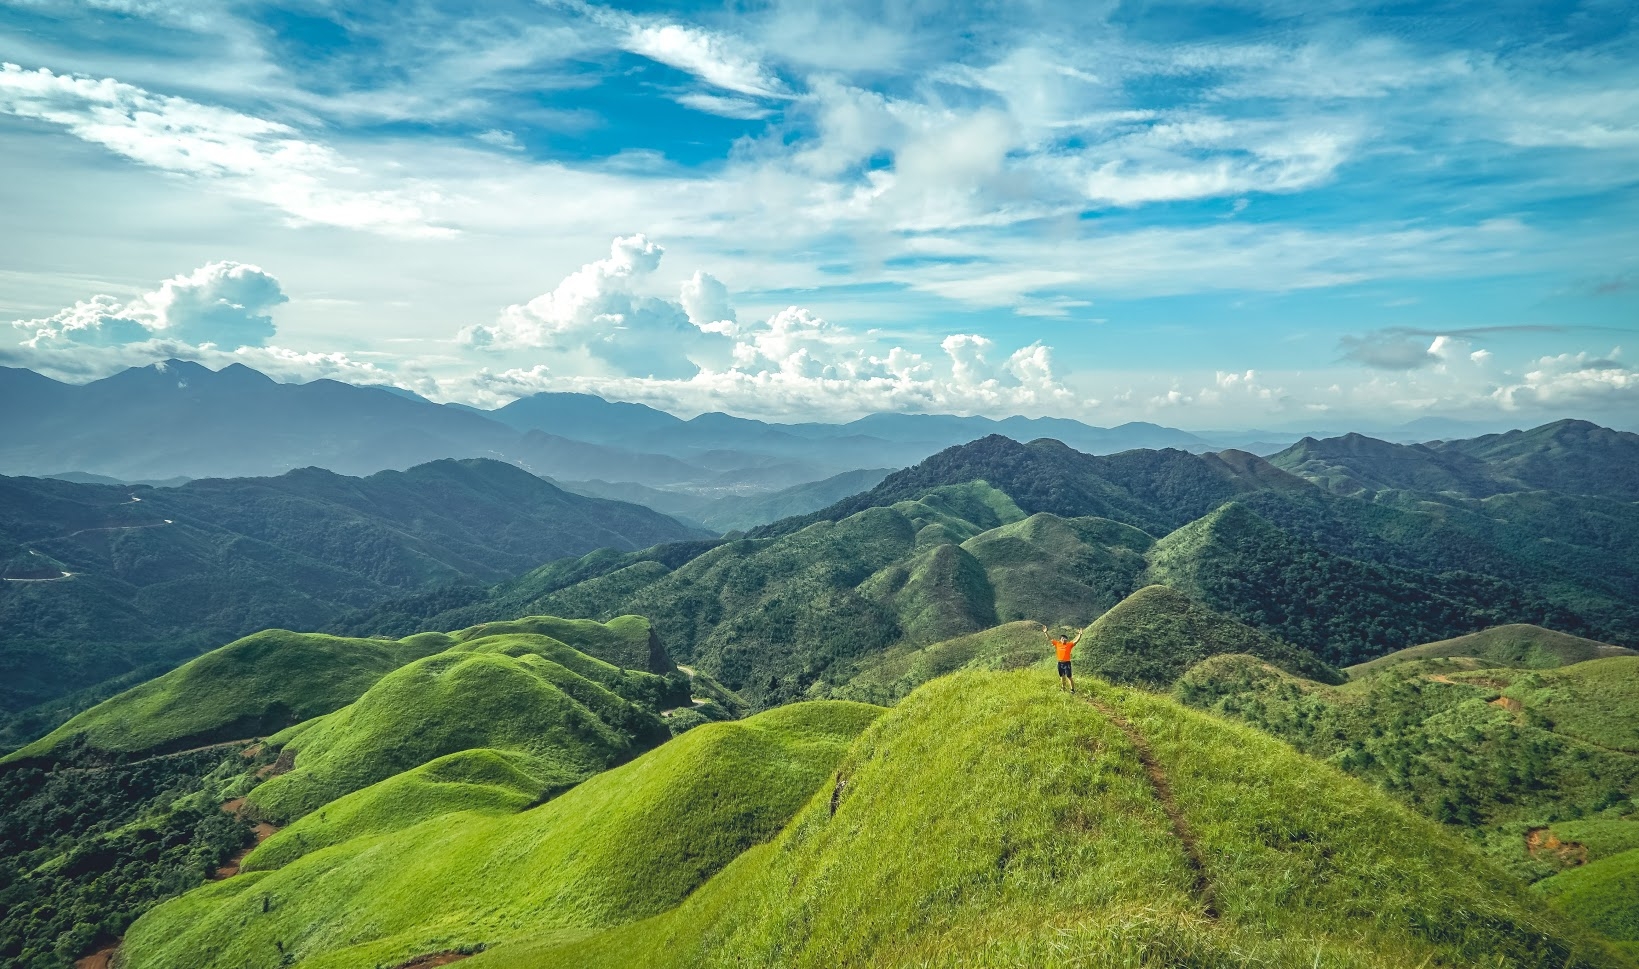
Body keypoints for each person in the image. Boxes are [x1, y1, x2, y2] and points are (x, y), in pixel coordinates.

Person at [1040, 622, 1081, 693]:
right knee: (1062, 676)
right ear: (1060, 639)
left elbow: (1076, 641)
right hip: (1060, 663)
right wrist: (1046, 632)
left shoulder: (1069, 645)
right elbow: (1050, 639)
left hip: (1067, 663)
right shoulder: (1057, 644)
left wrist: (1080, 634)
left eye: (1065, 639)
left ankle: (1072, 690)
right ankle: (1063, 689)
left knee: (1069, 676)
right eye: (1063, 638)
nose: (1064, 640)